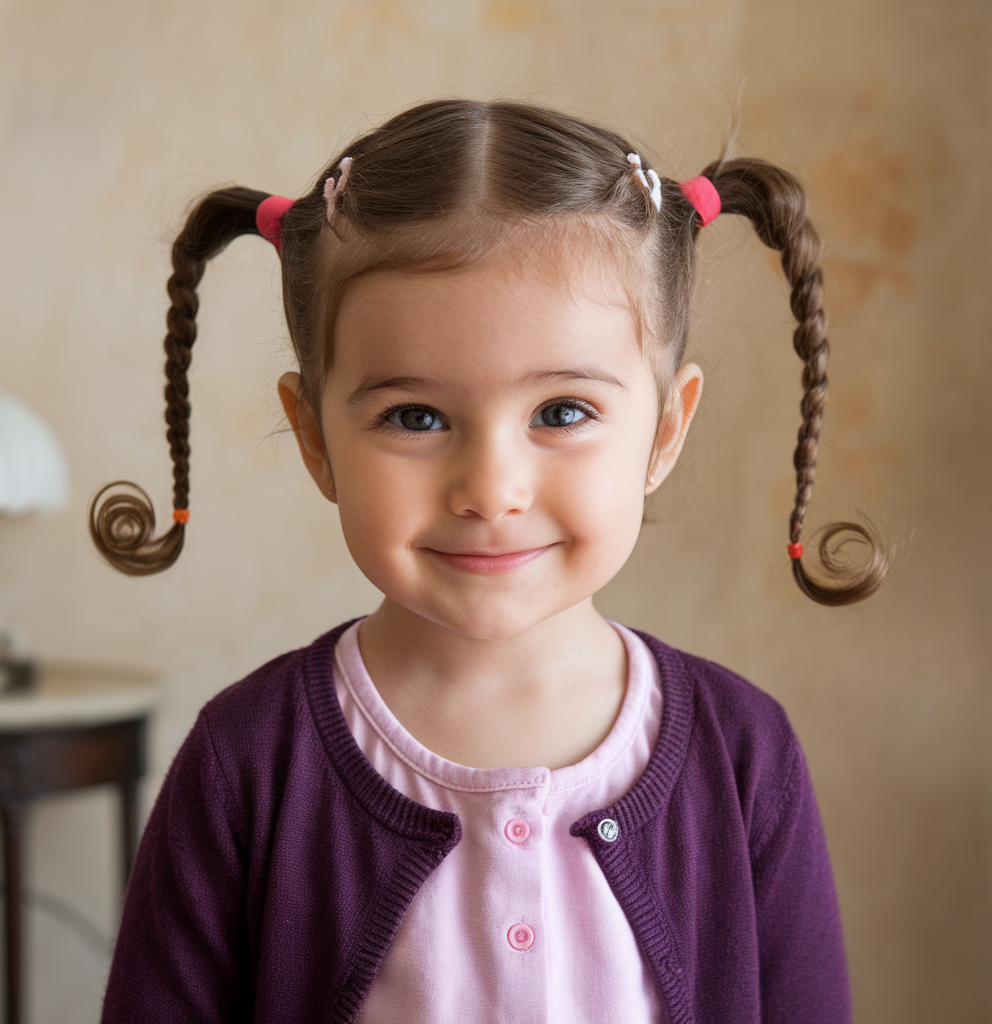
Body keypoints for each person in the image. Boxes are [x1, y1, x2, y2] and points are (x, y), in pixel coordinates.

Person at [93, 100, 888, 1023]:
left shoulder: (748, 757)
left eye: (561, 412)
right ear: (316, 439)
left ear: (665, 431)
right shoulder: (244, 767)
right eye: (416, 417)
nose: (491, 489)